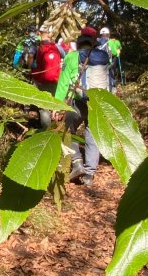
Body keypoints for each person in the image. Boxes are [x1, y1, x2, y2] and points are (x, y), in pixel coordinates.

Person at [54, 30, 110, 186]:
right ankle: (89, 175)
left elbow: (63, 83)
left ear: (79, 43)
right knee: (92, 135)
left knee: (67, 129)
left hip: (79, 102)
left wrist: (56, 105)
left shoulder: (72, 56)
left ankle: (77, 162)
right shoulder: (104, 57)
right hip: (98, 103)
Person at [30, 25, 62, 129]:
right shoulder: (57, 46)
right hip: (55, 80)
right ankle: (57, 129)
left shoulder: (36, 46)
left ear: (40, 33)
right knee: (55, 104)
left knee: (43, 107)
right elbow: (66, 57)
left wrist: (33, 70)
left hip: (41, 81)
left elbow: (30, 61)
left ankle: (46, 130)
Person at [99, 27, 122, 92]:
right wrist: (117, 52)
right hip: (109, 63)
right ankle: (112, 90)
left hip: (98, 65)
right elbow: (114, 53)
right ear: (108, 35)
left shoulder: (97, 42)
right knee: (110, 76)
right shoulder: (110, 42)